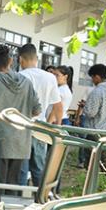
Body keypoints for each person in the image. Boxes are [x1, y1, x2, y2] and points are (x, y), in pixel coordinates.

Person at [0, 44, 42, 202]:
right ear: (10, 60)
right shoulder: (27, 83)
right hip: (21, 142)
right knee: (14, 189)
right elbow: (37, 111)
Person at [18, 44, 62, 187]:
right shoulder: (50, 77)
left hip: (22, 127)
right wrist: (58, 127)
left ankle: (20, 199)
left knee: (22, 169)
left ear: (20, 59)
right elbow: (57, 106)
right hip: (41, 128)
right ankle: (40, 199)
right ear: (36, 58)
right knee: (39, 167)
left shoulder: (20, 76)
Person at [78, 64, 106, 132]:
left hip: (96, 131)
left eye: (92, 77)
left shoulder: (96, 92)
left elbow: (90, 113)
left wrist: (85, 106)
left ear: (97, 77)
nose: (92, 80)